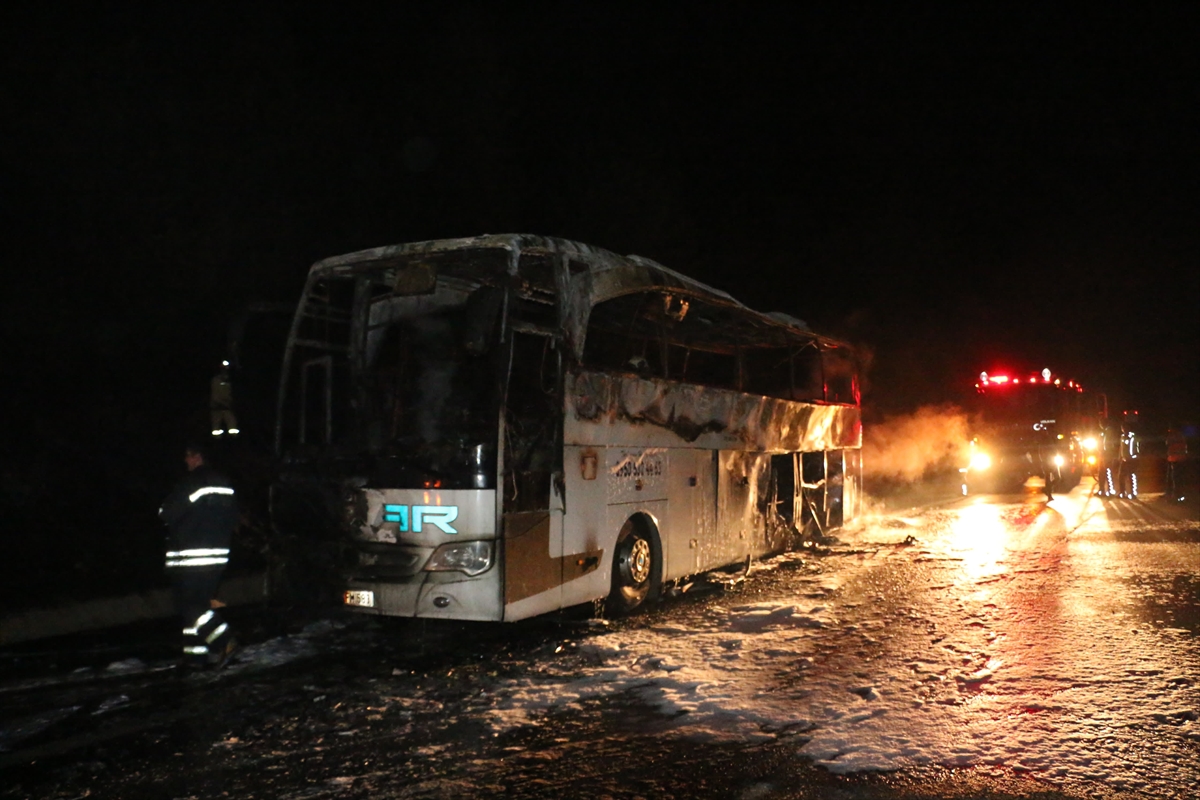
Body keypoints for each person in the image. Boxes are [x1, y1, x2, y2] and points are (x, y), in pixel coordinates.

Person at [159, 444, 239, 668]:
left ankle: (224, 641)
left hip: (190, 555)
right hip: (217, 555)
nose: (186, 461)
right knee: (198, 604)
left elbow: (168, 512)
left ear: (198, 457)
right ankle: (195, 656)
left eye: (188, 456)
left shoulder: (191, 483)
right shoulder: (225, 484)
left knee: (190, 605)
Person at [1166, 424, 1187, 502]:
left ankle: (1175, 495)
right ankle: (1180, 495)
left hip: (1174, 459)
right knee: (1179, 478)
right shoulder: (1181, 436)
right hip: (1181, 459)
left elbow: (1167, 443)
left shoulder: (1172, 436)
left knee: (1174, 478)